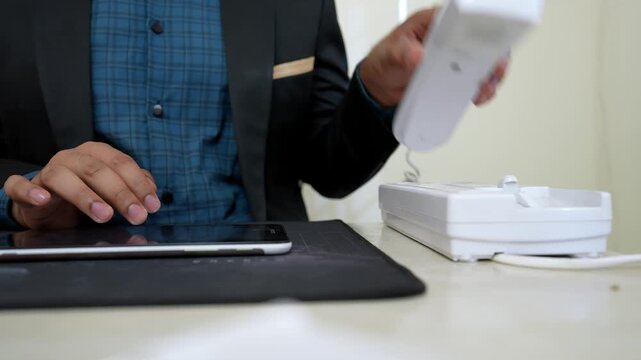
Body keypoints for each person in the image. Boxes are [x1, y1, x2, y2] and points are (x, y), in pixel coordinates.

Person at [0, 0, 505, 230]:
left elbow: (329, 170)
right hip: (60, 287)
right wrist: (21, 200)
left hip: (266, 286)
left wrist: (374, 87)